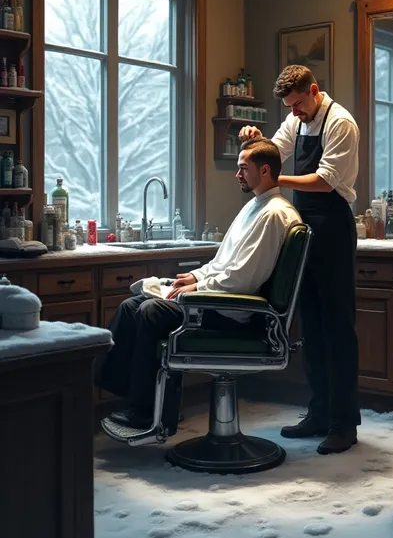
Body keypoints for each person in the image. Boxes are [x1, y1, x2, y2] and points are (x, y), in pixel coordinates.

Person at [96, 137, 301, 429]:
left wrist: (196, 290)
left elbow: (243, 278)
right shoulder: (254, 207)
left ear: (265, 170)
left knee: (151, 311)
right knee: (132, 305)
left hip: (236, 314)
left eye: (243, 168)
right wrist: (196, 276)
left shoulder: (274, 214)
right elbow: (223, 263)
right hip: (220, 300)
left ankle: (147, 411)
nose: (237, 174)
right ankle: (135, 399)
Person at [239, 65, 360, 454]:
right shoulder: (297, 120)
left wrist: (275, 178)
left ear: (313, 90)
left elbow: (325, 181)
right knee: (311, 327)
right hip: (304, 227)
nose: (294, 113)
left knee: (338, 329)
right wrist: (257, 141)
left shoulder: (341, 123)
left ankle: (344, 423)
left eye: (298, 104)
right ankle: (319, 413)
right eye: (289, 107)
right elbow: (273, 153)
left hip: (334, 227)